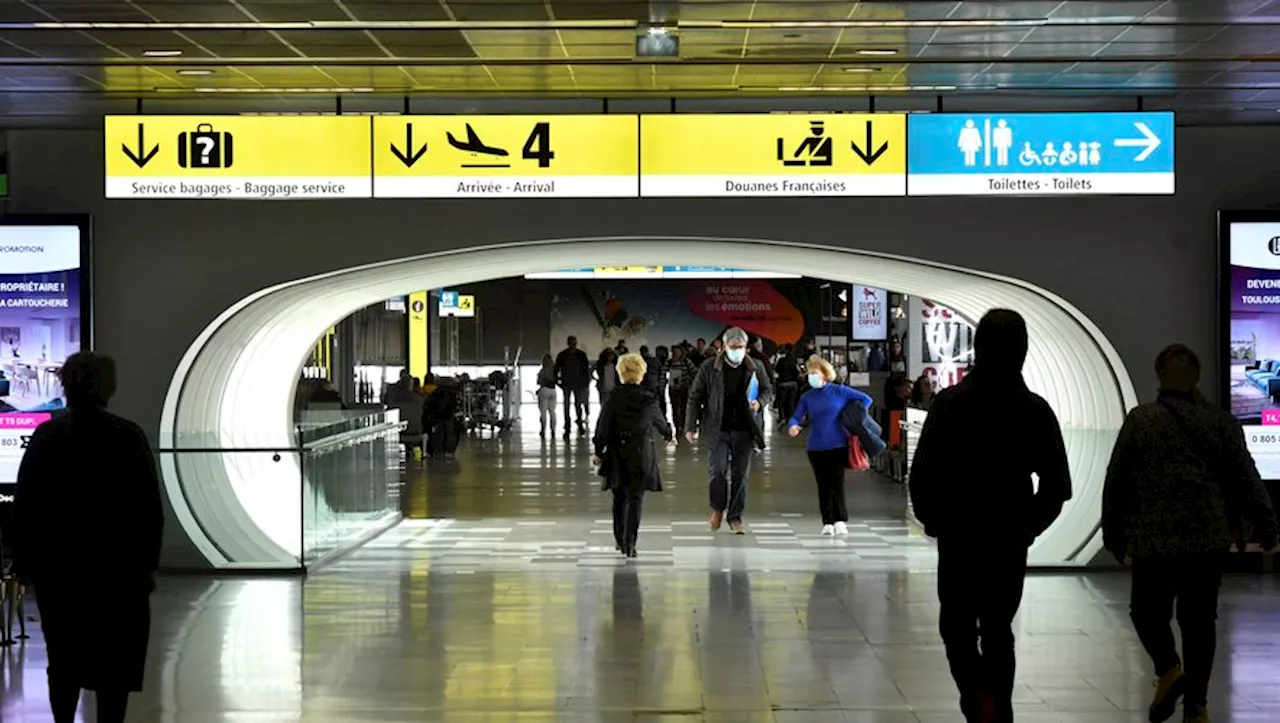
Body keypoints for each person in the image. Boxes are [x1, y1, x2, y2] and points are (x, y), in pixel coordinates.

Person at [908, 309, 1072, 723]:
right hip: (1008, 534)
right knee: (998, 628)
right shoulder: (1033, 409)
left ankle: (975, 695)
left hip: (960, 533)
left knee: (957, 625)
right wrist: (1029, 526)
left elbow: (923, 472)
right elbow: (1056, 485)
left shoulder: (951, 404)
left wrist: (934, 519)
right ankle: (999, 705)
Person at [1103, 344, 1278, 723]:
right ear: (1196, 377)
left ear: (1160, 376)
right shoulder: (1221, 422)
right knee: (1199, 621)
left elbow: (1117, 480)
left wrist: (1113, 533)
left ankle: (1169, 669)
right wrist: (1266, 525)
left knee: (1147, 612)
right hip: (1207, 536)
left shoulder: (1141, 420)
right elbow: (1246, 477)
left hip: (1154, 537)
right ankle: (1196, 704)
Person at [11, 352, 163, 723]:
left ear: (65, 386)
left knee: (63, 662)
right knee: (115, 669)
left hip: (59, 573)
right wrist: (144, 568)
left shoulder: (47, 437)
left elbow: (26, 504)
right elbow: (148, 509)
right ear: (108, 387)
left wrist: (27, 563)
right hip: (117, 574)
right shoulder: (127, 437)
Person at [685, 327, 774, 534]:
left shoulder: (756, 366)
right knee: (717, 471)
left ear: (746, 348)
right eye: (733, 347)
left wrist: (759, 403)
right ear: (724, 347)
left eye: (741, 347)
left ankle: (735, 517)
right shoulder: (709, 367)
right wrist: (690, 426)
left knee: (740, 475)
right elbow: (695, 396)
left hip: (745, 429)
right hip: (718, 428)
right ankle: (717, 509)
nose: (737, 351)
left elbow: (768, 390)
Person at [593, 353, 673, 558]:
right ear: (641, 373)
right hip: (641, 452)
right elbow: (661, 423)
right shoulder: (648, 399)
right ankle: (631, 543)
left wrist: (598, 450)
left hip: (617, 452)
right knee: (636, 498)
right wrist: (669, 435)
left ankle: (619, 540)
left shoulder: (612, 398)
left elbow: (602, 427)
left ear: (621, 373)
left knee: (619, 497)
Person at [787, 356, 874, 536]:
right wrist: (793, 426)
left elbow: (866, 399)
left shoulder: (840, 391)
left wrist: (853, 416)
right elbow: (796, 416)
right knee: (823, 484)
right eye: (809, 373)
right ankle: (827, 521)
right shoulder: (807, 397)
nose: (811, 377)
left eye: (814, 373)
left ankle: (840, 519)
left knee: (837, 482)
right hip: (815, 447)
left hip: (838, 444)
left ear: (825, 374)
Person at [554, 336, 591, 440]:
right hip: (571, 383)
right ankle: (572, 426)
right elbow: (556, 369)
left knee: (573, 405)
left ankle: (574, 425)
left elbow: (585, 370)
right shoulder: (579, 355)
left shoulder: (565, 355)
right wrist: (558, 381)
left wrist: (558, 381)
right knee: (573, 405)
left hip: (573, 383)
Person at [667, 345, 697, 433]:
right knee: (675, 409)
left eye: (677, 352)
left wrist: (691, 383)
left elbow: (695, 373)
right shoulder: (669, 362)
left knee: (684, 409)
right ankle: (677, 426)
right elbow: (663, 373)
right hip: (673, 390)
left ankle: (684, 426)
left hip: (684, 389)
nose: (675, 354)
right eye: (674, 352)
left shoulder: (686, 362)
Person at [774, 344, 800, 428]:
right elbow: (797, 372)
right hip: (793, 384)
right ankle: (791, 418)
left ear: (786, 350)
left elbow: (777, 370)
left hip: (783, 383)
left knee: (781, 402)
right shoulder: (795, 360)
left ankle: (782, 418)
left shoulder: (781, 360)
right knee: (791, 402)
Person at [535, 353, 558, 439]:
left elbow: (539, 382)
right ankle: (553, 430)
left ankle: (543, 430)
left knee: (543, 412)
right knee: (552, 411)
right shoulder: (554, 369)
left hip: (544, 390)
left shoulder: (542, 370)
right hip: (553, 391)